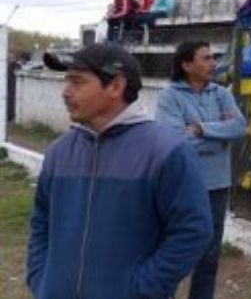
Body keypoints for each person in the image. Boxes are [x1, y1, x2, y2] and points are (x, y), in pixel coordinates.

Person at [29, 44, 213, 299]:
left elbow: (193, 231)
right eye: (66, 81)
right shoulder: (59, 152)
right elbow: (41, 222)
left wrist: (142, 288)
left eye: (77, 82)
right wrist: (41, 278)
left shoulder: (168, 151)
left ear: (116, 86)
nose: (65, 92)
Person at [156, 41, 247, 299]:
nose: (213, 63)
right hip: (182, 184)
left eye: (212, 58)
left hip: (217, 186)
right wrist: (219, 137)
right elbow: (173, 140)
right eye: (206, 58)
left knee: (209, 257)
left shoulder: (220, 93)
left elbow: (239, 127)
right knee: (175, 250)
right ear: (186, 65)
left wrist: (201, 129)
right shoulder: (170, 96)